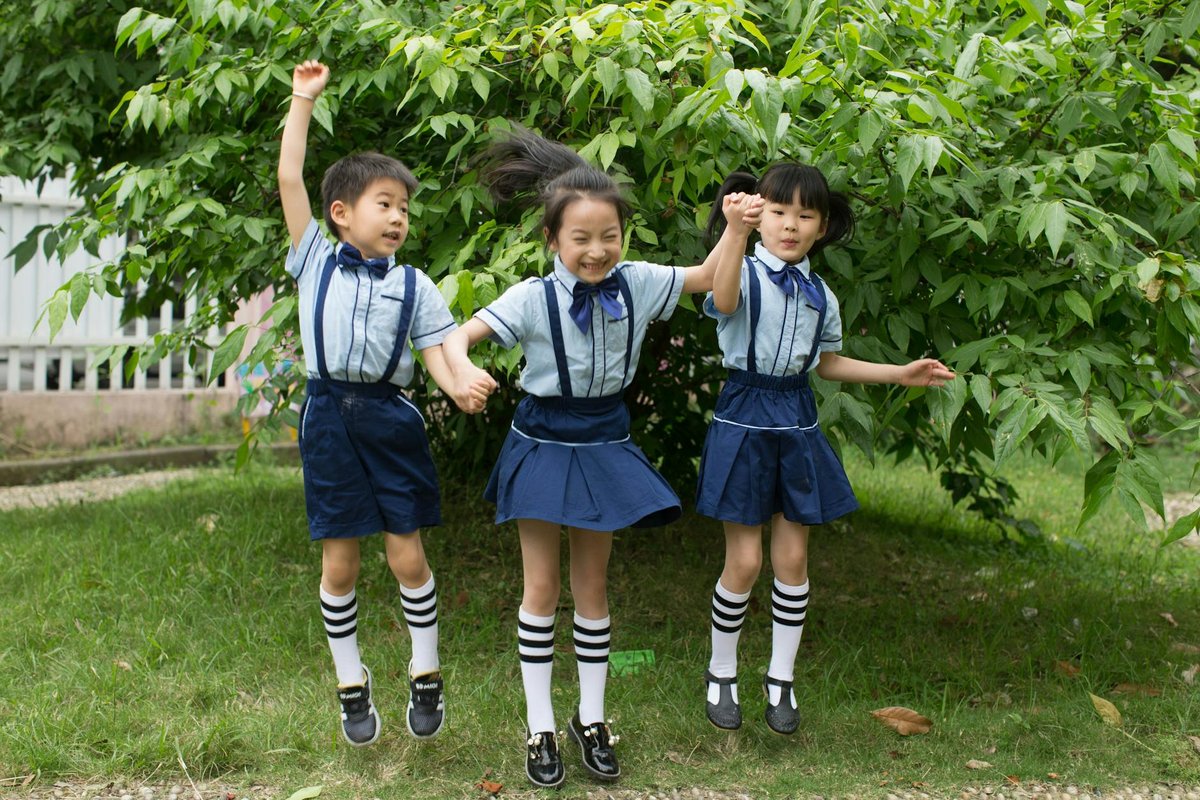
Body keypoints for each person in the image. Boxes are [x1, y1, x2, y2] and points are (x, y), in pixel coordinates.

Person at [442, 125, 760, 788]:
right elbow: (457, 336)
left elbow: (707, 278)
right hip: (542, 441)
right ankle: (538, 728)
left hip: (605, 441)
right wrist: (463, 373)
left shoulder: (639, 282)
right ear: (553, 241)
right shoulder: (531, 297)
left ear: (623, 235)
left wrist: (735, 228)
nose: (596, 250)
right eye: (580, 239)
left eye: (608, 236)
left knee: (592, 588)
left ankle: (591, 719)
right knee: (541, 588)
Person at [277, 60, 495, 747]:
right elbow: (289, 179)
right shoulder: (314, 255)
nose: (398, 217)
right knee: (339, 562)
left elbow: (441, 352)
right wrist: (302, 100)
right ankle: (351, 681)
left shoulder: (417, 286)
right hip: (327, 419)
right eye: (384, 204)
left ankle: (425, 671)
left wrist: (461, 384)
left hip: (389, 417)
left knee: (407, 555)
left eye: (404, 208)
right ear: (342, 214)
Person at [696, 163, 955, 736]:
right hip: (743, 416)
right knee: (744, 562)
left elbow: (827, 363)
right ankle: (721, 673)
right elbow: (724, 296)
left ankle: (781, 679)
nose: (790, 225)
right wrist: (734, 231)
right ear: (759, 214)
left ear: (822, 226)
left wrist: (900, 373)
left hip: (797, 418)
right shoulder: (739, 268)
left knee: (792, 562)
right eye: (779, 211)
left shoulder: (821, 294)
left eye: (805, 215)